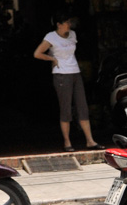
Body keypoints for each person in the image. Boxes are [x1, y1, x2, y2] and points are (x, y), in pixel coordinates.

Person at [33, 12, 99, 152]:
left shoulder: (73, 35)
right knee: (66, 108)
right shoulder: (51, 37)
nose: (69, 25)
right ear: (59, 24)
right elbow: (37, 53)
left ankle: (90, 140)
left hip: (75, 72)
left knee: (82, 106)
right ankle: (67, 142)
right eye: (67, 22)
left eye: (70, 22)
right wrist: (52, 59)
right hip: (61, 75)